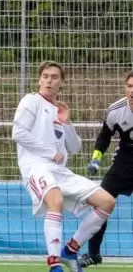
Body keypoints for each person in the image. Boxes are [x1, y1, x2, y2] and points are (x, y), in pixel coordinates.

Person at [12, 61, 116, 272]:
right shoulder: (31, 100)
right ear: (39, 79)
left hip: (61, 172)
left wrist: (66, 122)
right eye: (45, 76)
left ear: (62, 83)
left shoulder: (57, 110)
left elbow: (75, 147)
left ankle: (70, 250)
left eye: (54, 77)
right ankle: (54, 265)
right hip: (36, 167)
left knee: (107, 202)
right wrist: (51, 153)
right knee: (55, 200)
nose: (49, 80)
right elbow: (18, 133)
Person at [78, 71, 133, 268]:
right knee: (101, 203)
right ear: (125, 88)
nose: (132, 91)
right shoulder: (115, 111)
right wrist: (95, 159)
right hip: (125, 161)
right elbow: (104, 137)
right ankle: (93, 254)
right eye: (129, 86)